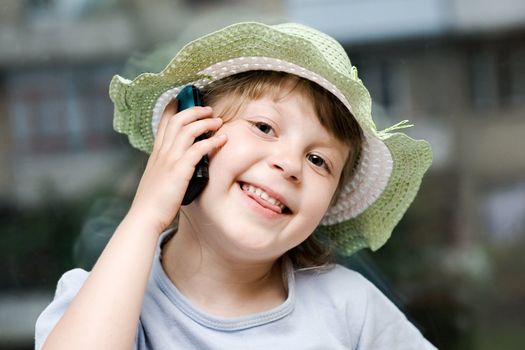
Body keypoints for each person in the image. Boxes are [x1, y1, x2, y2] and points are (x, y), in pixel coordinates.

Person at [35, 22, 435, 349]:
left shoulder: (350, 307)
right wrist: (146, 216)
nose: (290, 164)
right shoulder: (102, 293)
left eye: (319, 160)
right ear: (189, 136)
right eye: (263, 127)